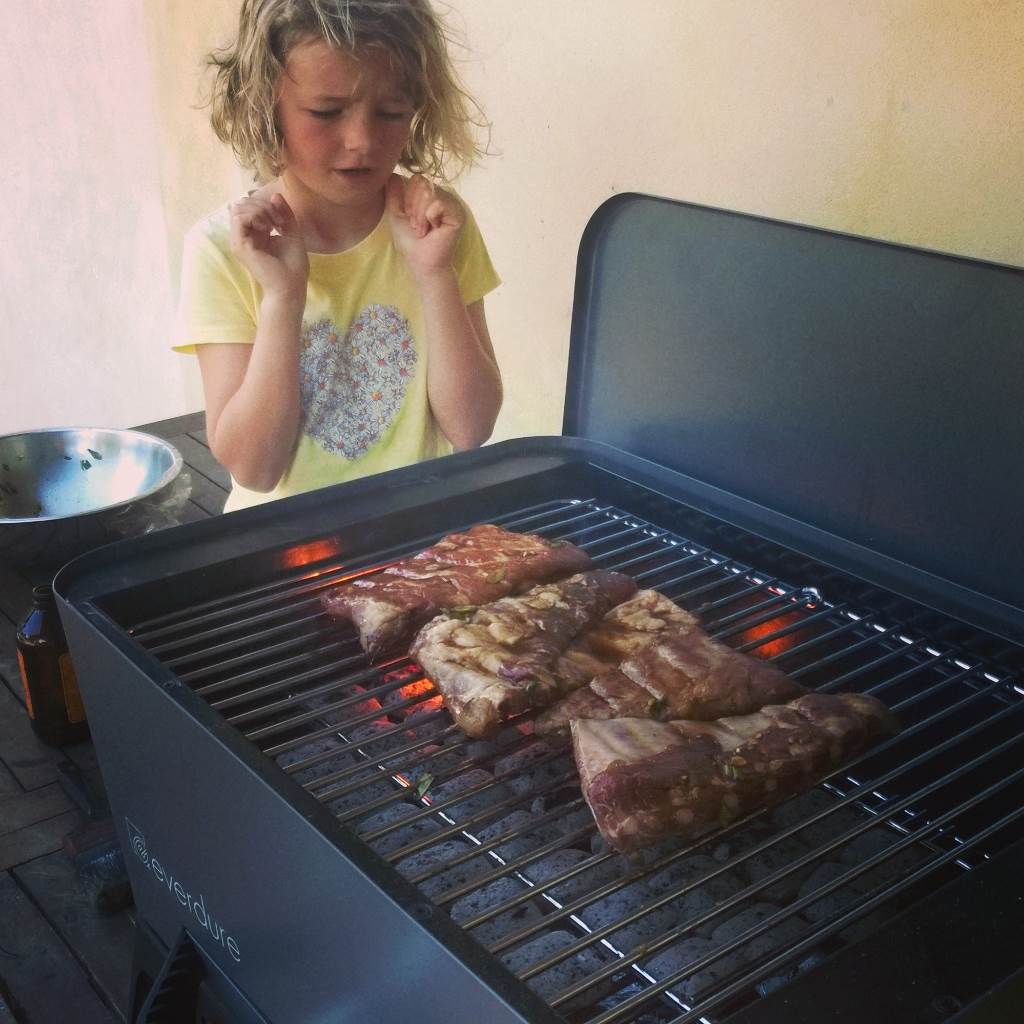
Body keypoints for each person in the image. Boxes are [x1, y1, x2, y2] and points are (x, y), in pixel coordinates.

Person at [175, 0, 502, 513]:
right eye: (326, 112)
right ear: (266, 110)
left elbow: (470, 428)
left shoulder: (437, 226)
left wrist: (434, 274)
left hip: (418, 532)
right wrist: (282, 297)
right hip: (282, 541)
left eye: (391, 112)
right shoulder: (222, 249)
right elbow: (255, 470)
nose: (362, 140)